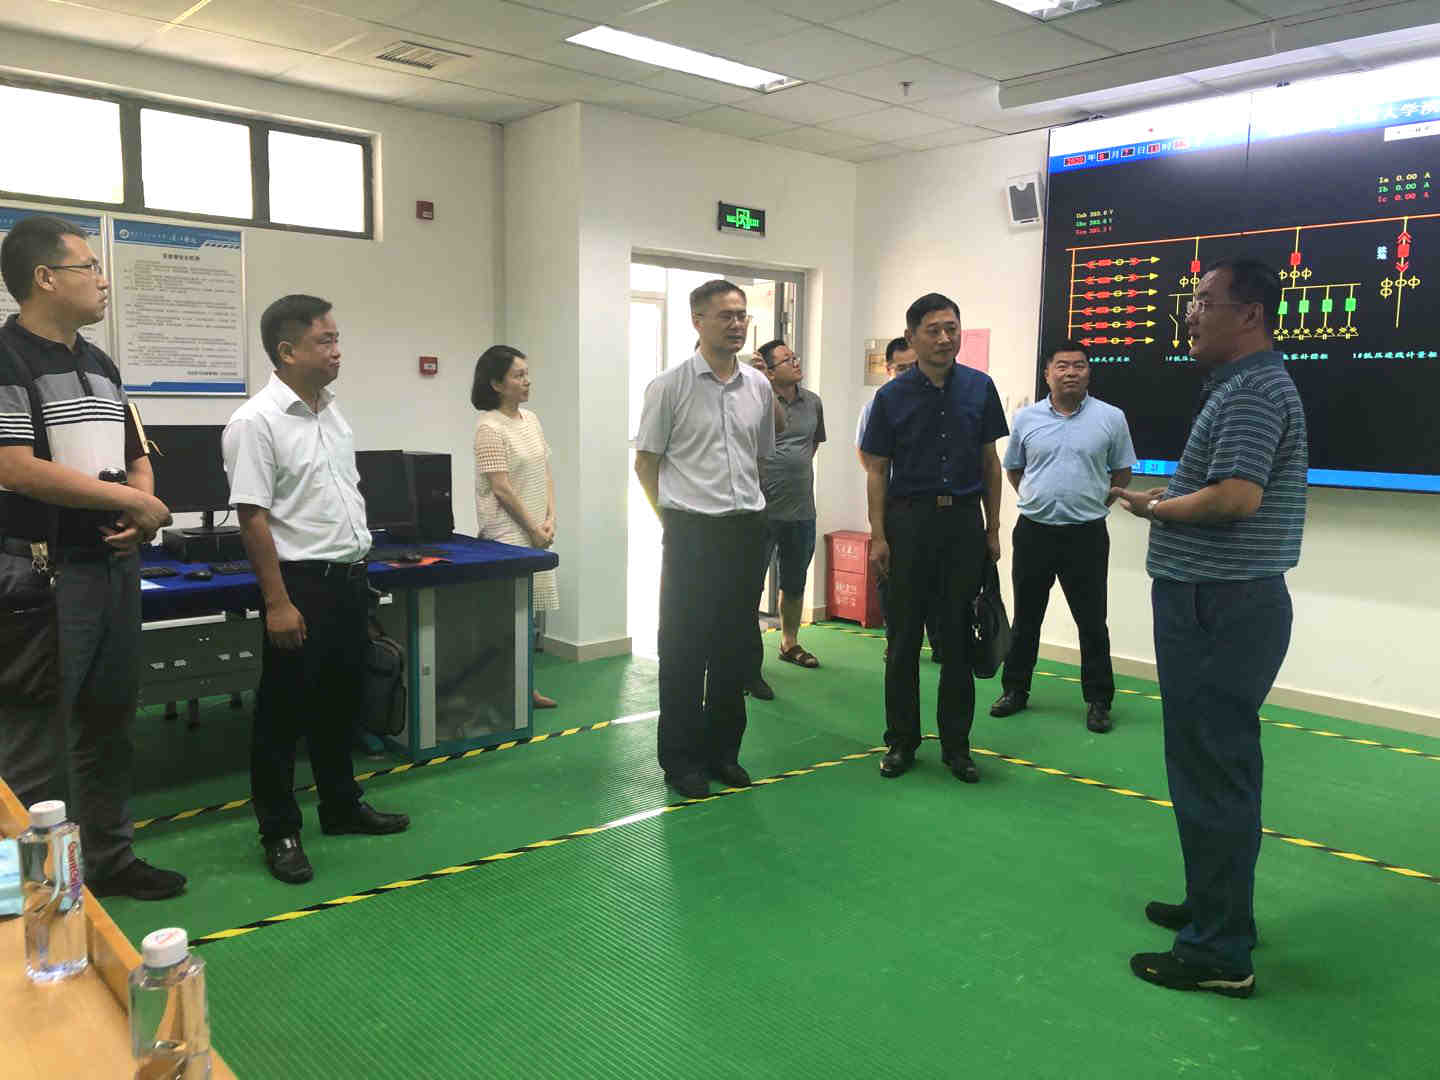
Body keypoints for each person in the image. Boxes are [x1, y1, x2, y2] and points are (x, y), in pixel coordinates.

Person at [1111, 258, 1307, 998]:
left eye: (1202, 301)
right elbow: (1222, 489)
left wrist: (1160, 507)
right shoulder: (1244, 385)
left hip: (1219, 606)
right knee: (1213, 768)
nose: (1189, 314)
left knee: (1212, 774)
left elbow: (1235, 499)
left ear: (1249, 313)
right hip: (1222, 602)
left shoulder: (1252, 390)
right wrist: (1167, 499)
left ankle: (1220, 953)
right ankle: (1216, 910)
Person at [0, 215, 183, 901]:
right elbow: (14, 466)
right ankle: (26, 900)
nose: (104, 280)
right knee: (34, 744)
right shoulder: (7, 358)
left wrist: (138, 503)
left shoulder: (101, 363)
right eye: (90, 267)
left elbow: (136, 454)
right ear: (45, 278)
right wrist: (134, 504)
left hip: (111, 567)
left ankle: (108, 859)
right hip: (42, 577)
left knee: (109, 726)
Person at [223, 294, 410, 885]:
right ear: (287, 351)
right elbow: (253, 518)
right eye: (324, 341)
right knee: (282, 717)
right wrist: (278, 603)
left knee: (340, 703)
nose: (337, 351)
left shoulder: (332, 412)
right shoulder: (255, 422)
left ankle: (341, 805)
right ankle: (279, 830)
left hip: (349, 578)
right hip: (299, 586)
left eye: (337, 339)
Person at [634, 280, 775, 799]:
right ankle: (681, 761)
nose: (737, 324)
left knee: (734, 649)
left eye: (742, 315)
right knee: (685, 649)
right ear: (697, 321)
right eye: (725, 316)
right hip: (691, 530)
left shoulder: (758, 387)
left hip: (745, 530)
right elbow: (646, 463)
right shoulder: (669, 387)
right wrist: (670, 520)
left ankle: (723, 753)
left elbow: (761, 457)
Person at [861, 293, 1008, 783]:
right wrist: (879, 536)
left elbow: (990, 463)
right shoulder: (891, 398)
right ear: (912, 337)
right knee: (903, 640)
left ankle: (956, 746)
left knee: (958, 641)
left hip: (962, 525)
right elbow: (877, 471)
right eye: (934, 330)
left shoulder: (980, 388)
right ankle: (901, 741)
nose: (945, 338)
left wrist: (992, 528)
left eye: (951, 328)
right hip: (908, 525)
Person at [990, 340, 1136, 733]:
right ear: (1047, 373)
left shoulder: (1111, 418)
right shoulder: (1026, 419)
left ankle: (1099, 701)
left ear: (1089, 372)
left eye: (1079, 365)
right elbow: (1014, 468)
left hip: (1086, 534)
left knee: (1092, 621)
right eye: (1062, 365)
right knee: (1026, 618)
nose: (1071, 372)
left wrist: (1097, 503)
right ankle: (1015, 690)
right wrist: (1037, 498)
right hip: (1034, 532)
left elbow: (1122, 471)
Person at [472, 345, 559, 709]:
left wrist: (550, 518)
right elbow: (501, 488)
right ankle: (501, 693)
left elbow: (544, 471)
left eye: (526, 373)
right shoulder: (489, 427)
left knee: (528, 619)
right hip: (507, 534)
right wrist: (532, 528)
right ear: (496, 384)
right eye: (518, 375)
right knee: (508, 620)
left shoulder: (532, 420)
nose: (527, 381)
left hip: (537, 531)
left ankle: (524, 690)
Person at [855, 336, 940, 663]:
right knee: (891, 577)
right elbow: (867, 458)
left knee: (934, 576)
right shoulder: (877, 405)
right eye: (901, 368)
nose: (909, 373)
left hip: (930, 506)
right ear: (888, 369)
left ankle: (939, 640)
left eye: (913, 366)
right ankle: (896, 641)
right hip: (893, 506)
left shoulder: (933, 400)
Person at [749, 340, 825, 685]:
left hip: (801, 509)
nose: (795, 362)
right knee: (749, 585)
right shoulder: (755, 400)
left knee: (795, 581)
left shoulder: (813, 402)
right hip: (759, 511)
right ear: (768, 371)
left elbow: (812, 445)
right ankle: (746, 655)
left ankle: (789, 643)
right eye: (786, 360)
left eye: (795, 357)